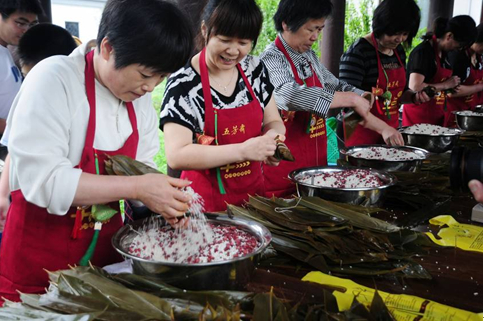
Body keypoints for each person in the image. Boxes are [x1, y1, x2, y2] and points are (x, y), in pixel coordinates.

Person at [0, 0, 194, 302]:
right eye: (144, 75)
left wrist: (162, 202)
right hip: (37, 268)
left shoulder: (138, 99)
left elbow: (140, 168)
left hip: (102, 263)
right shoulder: (53, 80)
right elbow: (44, 182)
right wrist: (139, 186)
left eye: (160, 78)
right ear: (107, 48)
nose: (150, 87)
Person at [259, 0, 402, 197]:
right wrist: (350, 99)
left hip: (315, 165)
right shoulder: (271, 58)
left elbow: (334, 84)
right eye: (310, 29)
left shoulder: (309, 56)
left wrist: (360, 94)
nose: (315, 37)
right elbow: (288, 95)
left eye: (320, 29)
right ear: (286, 23)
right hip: (283, 171)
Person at [160, 0, 285, 212]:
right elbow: (177, 154)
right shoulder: (183, 84)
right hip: (203, 207)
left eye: (243, 43)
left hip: (253, 201)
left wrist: (273, 142)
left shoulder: (255, 70)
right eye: (225, 40)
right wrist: (243, 151)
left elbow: (274, 120)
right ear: (204, 29)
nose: (233, 51)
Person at [0, 23, 78, 228]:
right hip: (31, 212)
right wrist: (2, 194)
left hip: (76, 212)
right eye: (27, 76)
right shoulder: (28, 95)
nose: (34, 83)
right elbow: (13, 148)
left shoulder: (79, 97)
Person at [339, 0, 430, 146]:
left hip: (389, 132)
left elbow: (398, 94)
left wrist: (413, 97)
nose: (399, 39)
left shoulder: (398, 51)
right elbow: (349, 107)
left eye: (405, 34)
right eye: (394, 33)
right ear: (380, 27)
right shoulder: (357, 53)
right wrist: (384, 128)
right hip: (360, 135)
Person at [402, 15, 476, 127]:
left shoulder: (445, 54)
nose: (459, 49)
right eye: (459, 45)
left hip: (436, 114)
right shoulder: (423, 52)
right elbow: (415, 86)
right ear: (449, 36)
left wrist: (452, 85)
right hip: (418, 118)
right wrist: (445, 85)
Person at [0, 0, 42, 134]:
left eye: (32, 25)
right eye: (20, 23)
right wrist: (20, 133)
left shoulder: (5, 51)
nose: (26, 30)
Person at [446, 24, 483, 120]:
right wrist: (480, 87)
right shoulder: (458, 56)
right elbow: (452, 92)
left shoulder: (478, 56)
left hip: (469, 112)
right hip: (453, 113)